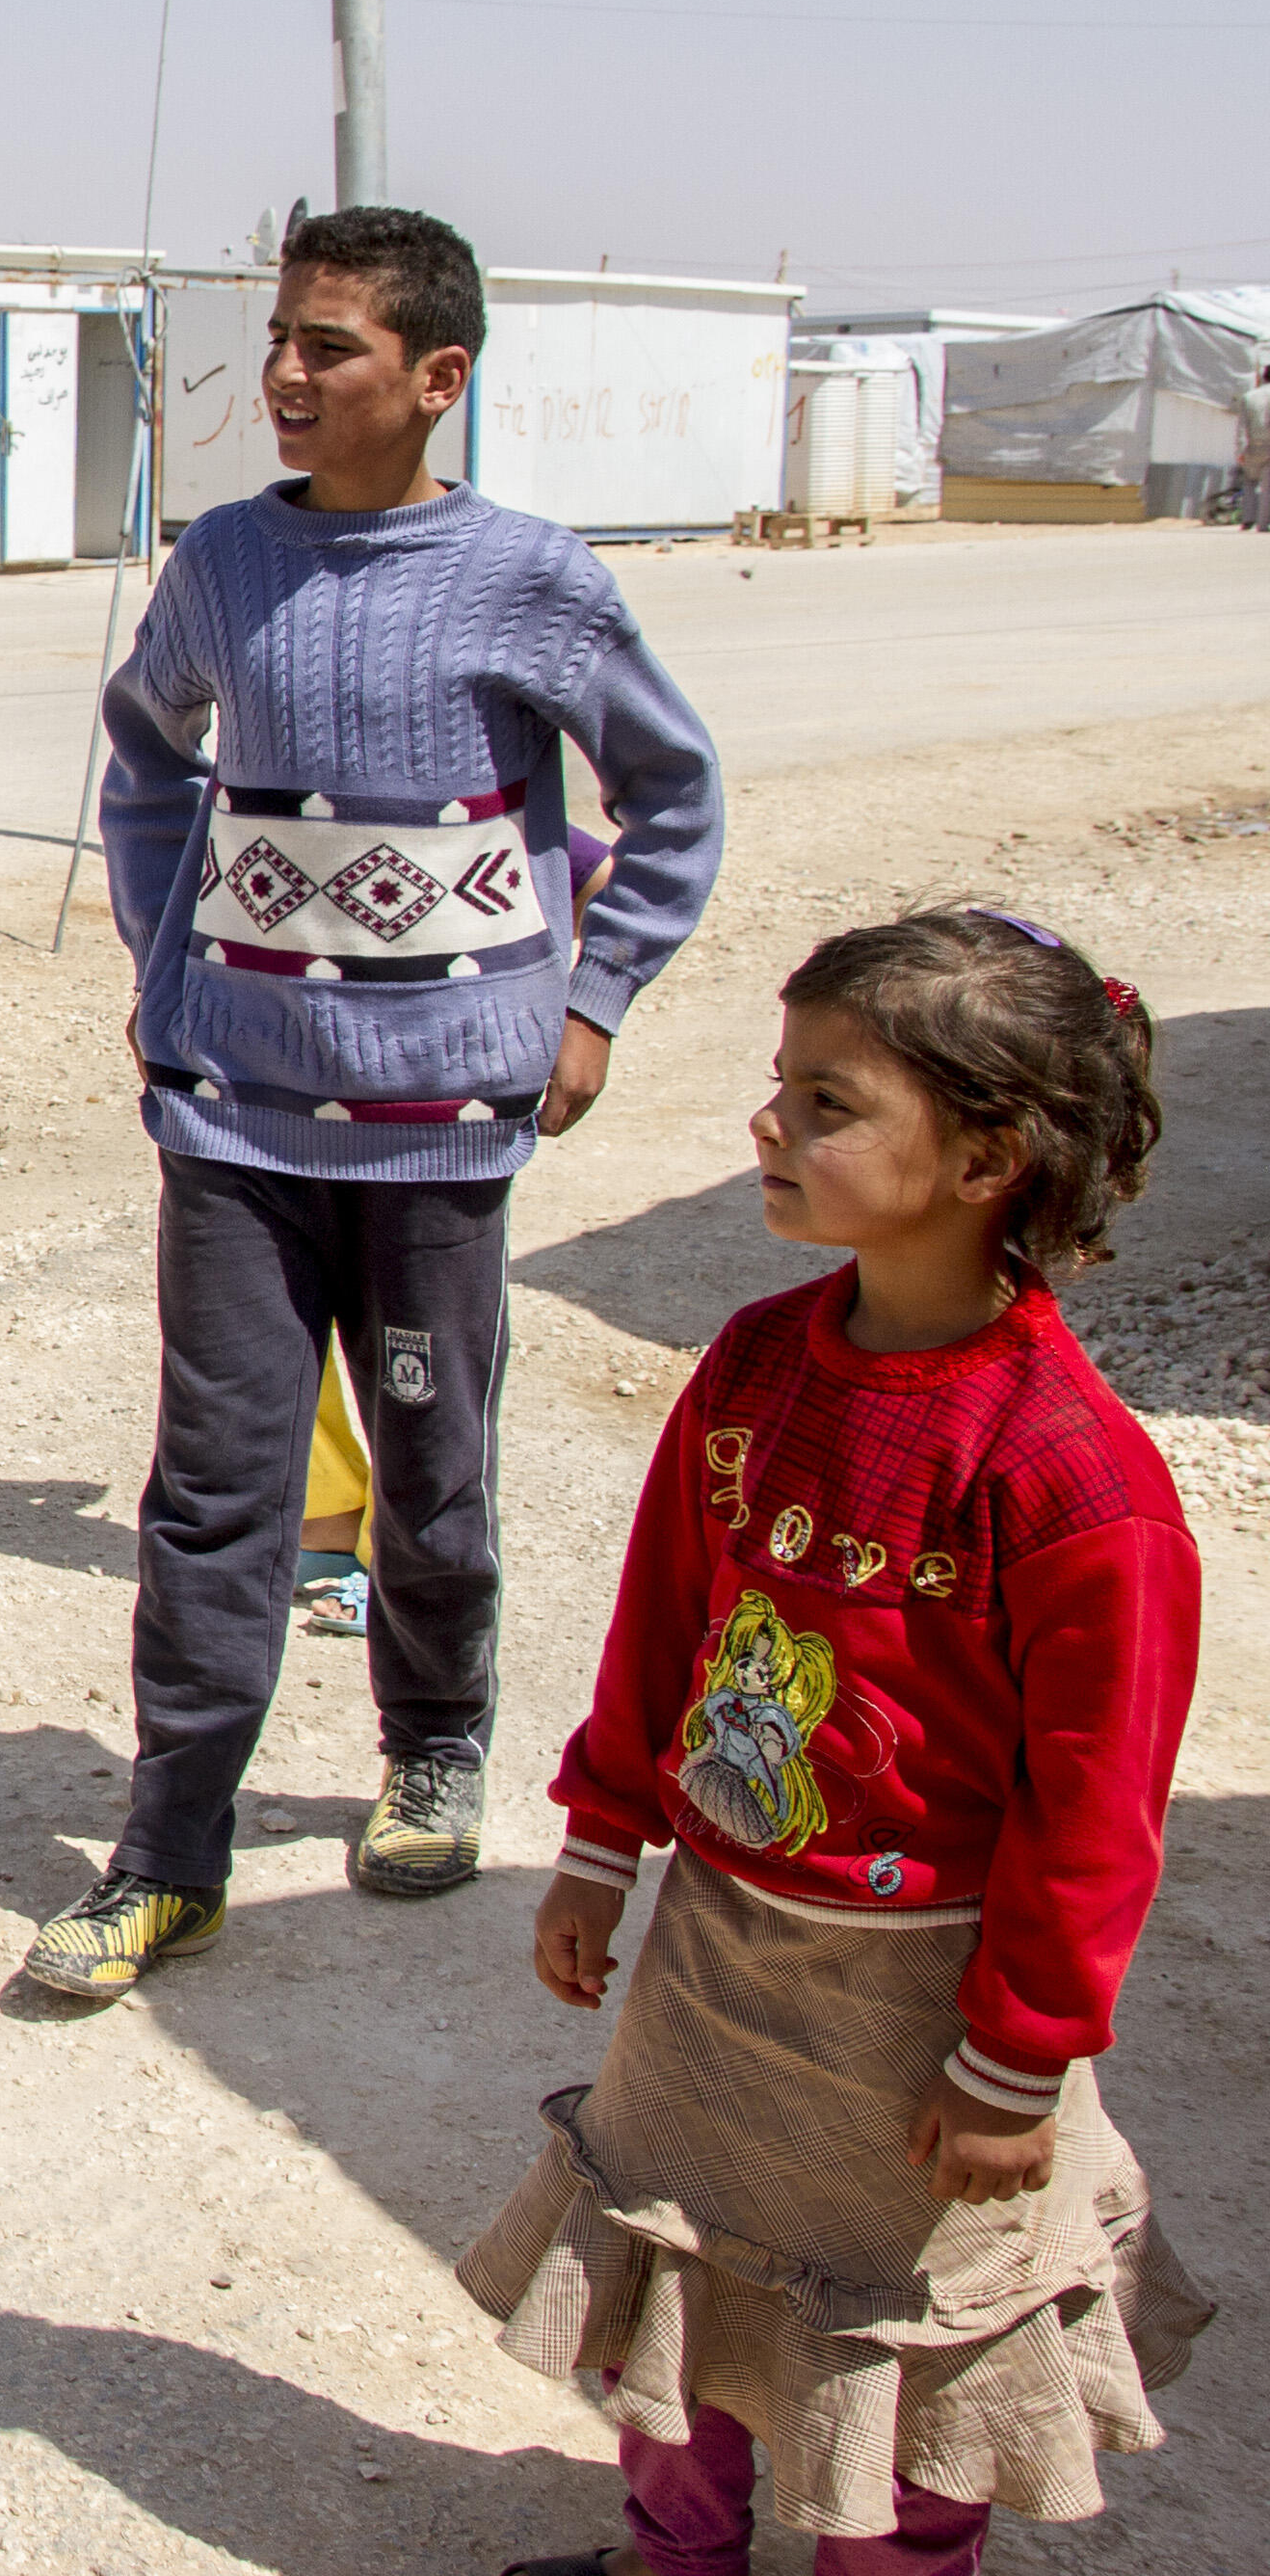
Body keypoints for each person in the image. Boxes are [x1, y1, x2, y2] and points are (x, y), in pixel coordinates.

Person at [29, 205, 727, 2000]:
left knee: (430, 1468)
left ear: (436, 377)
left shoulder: (531, 581)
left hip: (438, 1133)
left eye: (324, 346)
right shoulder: (217, 569)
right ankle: (168, 1845)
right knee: (214, 1488)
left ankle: (431, 1741)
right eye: (276, 337)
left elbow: (671, 794)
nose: (280, 373)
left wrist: (588, 1000)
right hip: (236, 1121)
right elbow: (142, 756)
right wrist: (163, 960)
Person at [464, 911, 1210, 2576]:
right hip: (718, 1972)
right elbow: (666, 1620)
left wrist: (1016, 2055)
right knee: (682, 2282)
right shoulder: (746, 1367)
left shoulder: (1069, 1477)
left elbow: (1096, 1808)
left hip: (922, 2024)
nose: (768, 1126)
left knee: (906, 2342)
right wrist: (600, 1838)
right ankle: (676, 2562)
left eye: (825, 1100)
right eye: (776, 1085)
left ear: (983, 1157)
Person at [296, 818, 626, 1640]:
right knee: (282, 1328)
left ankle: (393, 1559)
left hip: (426, 1125)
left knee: (415, 1358)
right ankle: (329, 1515)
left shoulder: (459, 798)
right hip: (275, 1095)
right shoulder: (254, 770)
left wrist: (580, 1006)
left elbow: (599, 879)